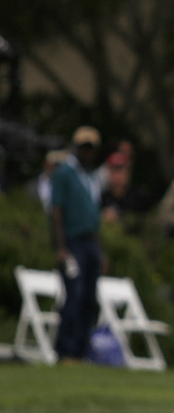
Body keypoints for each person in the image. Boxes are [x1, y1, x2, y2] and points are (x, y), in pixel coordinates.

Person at [49, 126, 105, 363]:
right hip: (72, 240)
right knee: (74, 293)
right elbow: (56, 210)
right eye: (83, 147)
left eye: (90, 148)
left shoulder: (90, 176)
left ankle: (81, 349)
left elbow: (94, 216)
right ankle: (66, 350)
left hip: (90, 240)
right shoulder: (64, 173)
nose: (87, 152)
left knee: (89, 297)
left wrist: (100, 251)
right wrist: (60, 248)